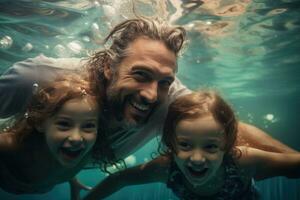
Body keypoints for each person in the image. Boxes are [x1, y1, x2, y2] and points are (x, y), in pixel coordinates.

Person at [0, 17, 296, 169]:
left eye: (165, 81)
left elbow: (227, 129)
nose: (152, 95)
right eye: (140, 75)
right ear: (108, 68)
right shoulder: (39, 78)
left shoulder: (168, 100)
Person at [83, 91, 300, 200]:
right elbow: (119, 178)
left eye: (210, 147)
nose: (197, 158)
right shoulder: (166, 167)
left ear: (227, 145)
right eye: (185, 145)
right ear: (171, 143)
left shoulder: (242, 161)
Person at [0, 73, 102, 199]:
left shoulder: (86, 154)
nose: (76, 138)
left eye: (88, 126)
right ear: (40, 122)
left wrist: (72, 180)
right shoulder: (9, 147)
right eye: (64, 124)